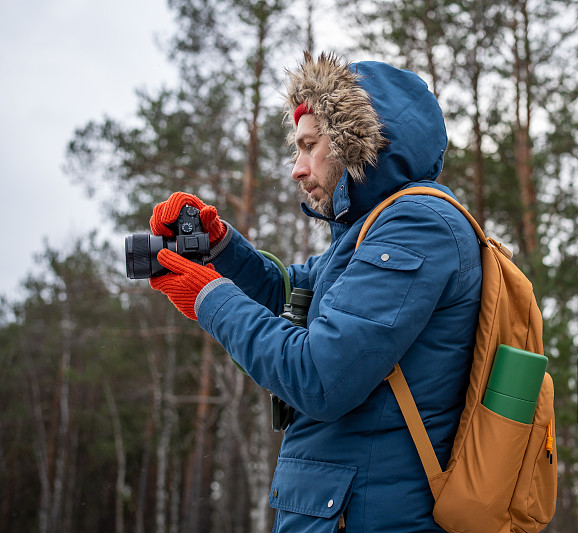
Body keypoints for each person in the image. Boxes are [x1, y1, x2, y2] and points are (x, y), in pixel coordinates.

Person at [148, 52, 482, 533]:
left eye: (309, 146)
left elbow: (320, 378)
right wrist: (221, 248)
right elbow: (294, 295)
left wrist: (209, 296)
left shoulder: (415, 226)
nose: (296, 169)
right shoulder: (368, 232)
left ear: (355, 142)